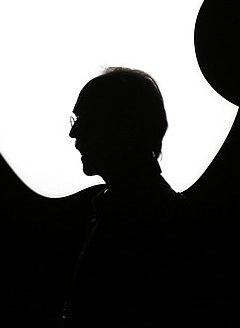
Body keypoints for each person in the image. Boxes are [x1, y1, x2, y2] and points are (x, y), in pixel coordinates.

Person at [59, 67, 198, 327]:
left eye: (86, 118)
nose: (74, 133)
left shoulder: (155, 222)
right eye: (75, 119)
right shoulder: (152, 213)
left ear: (126, 127)